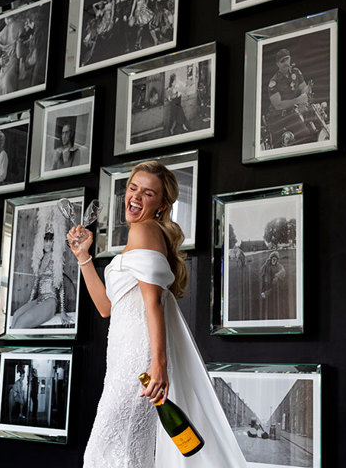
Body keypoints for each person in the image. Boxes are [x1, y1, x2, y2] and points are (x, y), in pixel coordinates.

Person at [69, 160, 246, 467]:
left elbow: (154, 303)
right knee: (127, 450)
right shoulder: (139, 235)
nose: (135, 197)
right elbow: (106, 307)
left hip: (140, 359)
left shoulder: (144, 230)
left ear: (162, 205)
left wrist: (159, 366)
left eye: (148, 193)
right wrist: (83, 257)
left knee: (107, 451)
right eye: (133, 188)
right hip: (122, 360)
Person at [11, 206, 71, 329]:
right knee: (16, 316)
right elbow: (35, 285)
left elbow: (61, 285)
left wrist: (63, 310)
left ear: (54, 242)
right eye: (45, 240)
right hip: (40, 299)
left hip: (50, 301)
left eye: (50, 241)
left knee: (21, 323)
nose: (47, 244)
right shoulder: (41, 258)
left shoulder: (56, 258)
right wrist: (29, 304)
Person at [265, 48, 313, 147]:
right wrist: (298, 100)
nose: (285, 63)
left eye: (287, 59)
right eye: (282, 61)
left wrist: (303, 100)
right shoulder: (274, 82)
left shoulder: (296, 72)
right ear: (277, 64)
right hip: (276, 118)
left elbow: (303, 88)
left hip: (291, 114)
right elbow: (278, 105)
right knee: (280, 145)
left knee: (306, 136)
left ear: (290, 58)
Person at [0, 15, 24, 97]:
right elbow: (19, 55)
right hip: (13, 70)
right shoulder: (20, 26)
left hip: (2, 73)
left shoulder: (0, 35)